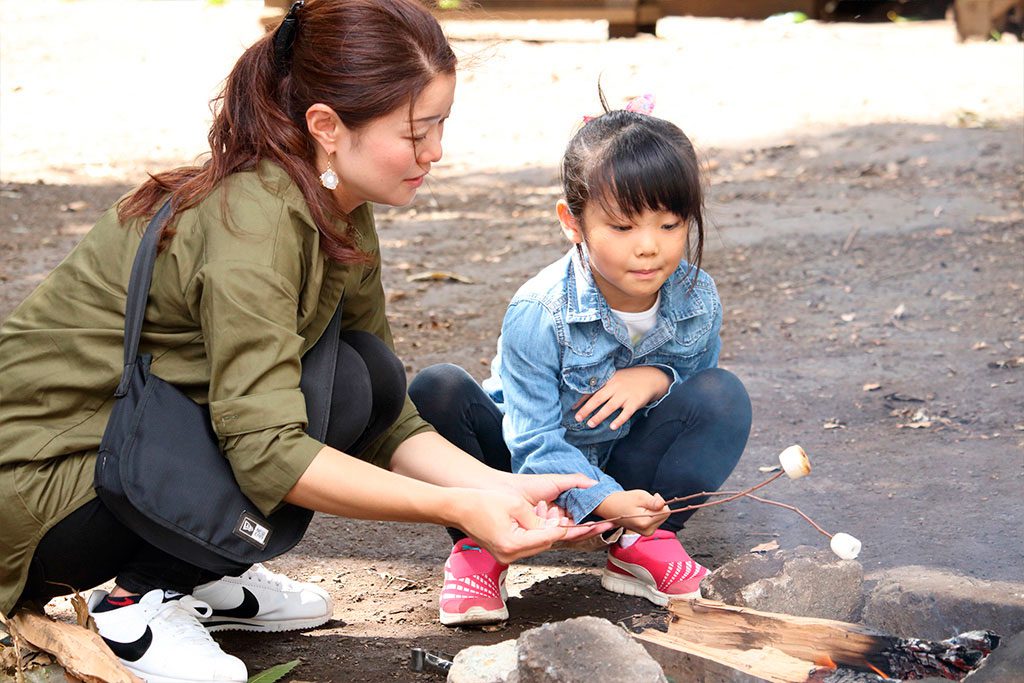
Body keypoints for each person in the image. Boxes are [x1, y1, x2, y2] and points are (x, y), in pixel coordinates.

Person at [0, 2, 606, 681]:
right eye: (416, 131)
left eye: (441, 125)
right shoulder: (255, 223)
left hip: (130, 450)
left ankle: (200, 577)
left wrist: (503, 487)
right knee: (325, 394)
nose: (435, 152)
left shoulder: (335, 200)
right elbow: (266, 451)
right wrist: (453, 506)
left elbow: (382, 413)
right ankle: (138, 599)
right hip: (38, 495)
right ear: (326, 125)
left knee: (360, 374)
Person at [409, 95, 753, 627]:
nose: (649, 248)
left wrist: (659, 376)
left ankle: (643, 542)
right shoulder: (539, 311)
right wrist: (605, 500)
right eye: (622, 227)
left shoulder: (696, 297)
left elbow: (697, 378)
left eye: (670, 225)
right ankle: (479, 546)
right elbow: (531, 442)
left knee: (722, 394)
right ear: (573, 222)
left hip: (627, 469)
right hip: (523, 470)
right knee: (437, 390)